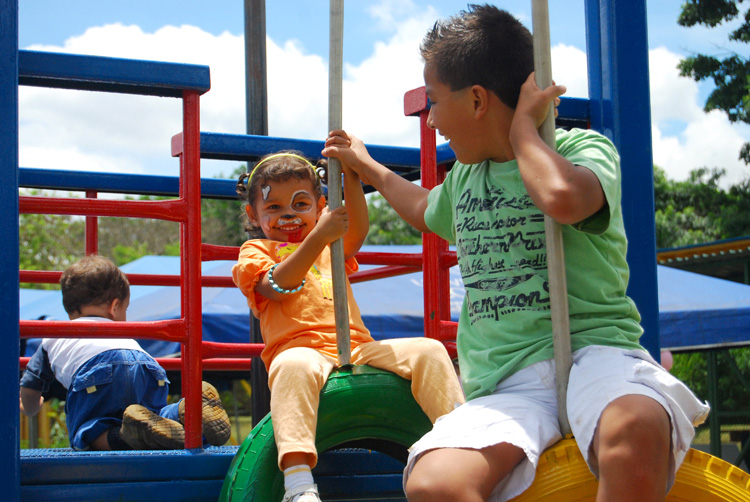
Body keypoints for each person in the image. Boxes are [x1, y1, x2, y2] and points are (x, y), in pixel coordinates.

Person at [321, 5, 710, 501]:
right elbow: (422, 207)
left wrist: (525, 132)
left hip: (594, 353)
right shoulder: (465, 179)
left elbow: (563, 198)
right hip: (508, 384)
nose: (432, 119)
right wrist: (370, 169)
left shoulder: (582, 150)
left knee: (635, 429)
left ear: (478, 100)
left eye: (435, 102)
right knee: (434, 484)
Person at [231, 151, 465, 502]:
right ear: (253, 214)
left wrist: (351, 176)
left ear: (321, 204)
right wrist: (318, 235)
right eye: (274, 207)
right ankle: (297, 482)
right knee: (291, 367)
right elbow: (277, 286)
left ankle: (462, 444)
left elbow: (355, 229)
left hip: (356, 346)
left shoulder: (332, 244)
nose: (289, 215)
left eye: (300, 203)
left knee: (429, 351)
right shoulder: (256, 250)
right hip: (301, 349)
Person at [19, 255, 231, 451]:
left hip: (97, 369)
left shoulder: (52, 334)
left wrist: (30, 407)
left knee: (87, 430)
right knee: (154, 415)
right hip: (145, 363)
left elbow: (30, 387)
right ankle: (185, 410)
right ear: (115, 306)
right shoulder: (121, 332)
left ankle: (126, 435)